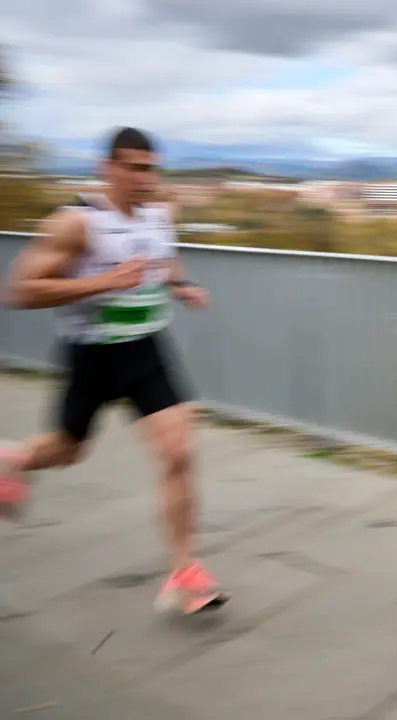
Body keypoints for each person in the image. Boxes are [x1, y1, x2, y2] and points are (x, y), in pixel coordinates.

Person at [0, 126, 229, 616]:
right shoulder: (76, 223)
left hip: (146, 350)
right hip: (94, 356)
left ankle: (185, 571)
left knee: (179, 451)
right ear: (108, 168)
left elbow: (162, 257)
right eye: (135, 168)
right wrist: (105, 281)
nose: (147, 179)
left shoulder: (161, 213)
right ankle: (16, 459)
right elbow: (19, 290)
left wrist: (181, 284)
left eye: (152, 168)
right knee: (67, 451)